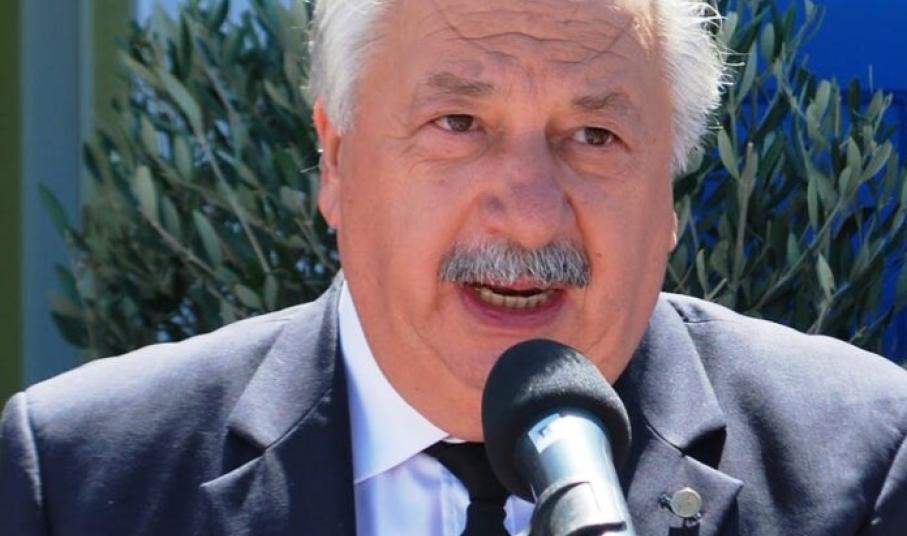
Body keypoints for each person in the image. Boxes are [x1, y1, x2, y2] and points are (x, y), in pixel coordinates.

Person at [2, 0, 905, 534]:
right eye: (459, 125)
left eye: (595, 135)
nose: (529, 212)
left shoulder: (863, 464)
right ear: (336, 161)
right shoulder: (76, 477)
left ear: (668, 192)